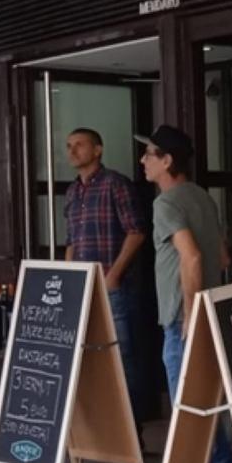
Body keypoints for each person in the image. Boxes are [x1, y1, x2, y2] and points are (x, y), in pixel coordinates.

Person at [139, 124, 232, 463]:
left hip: (186, 315)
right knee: (207, 397)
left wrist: (188, 311)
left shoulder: (165, 204)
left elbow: (192, 256)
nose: (143, 161)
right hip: (212, 308)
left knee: (189, 405)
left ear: (167, 161)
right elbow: (223, 256)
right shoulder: (201, 197)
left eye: (149, 154)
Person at [62, 127, 148, 445]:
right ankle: (97, 436)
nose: (72, 151)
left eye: (79, 145)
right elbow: (71, 241)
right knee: (85, 361)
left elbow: (137, 232)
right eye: (69, 146)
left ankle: (132, 435)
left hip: (113, 288)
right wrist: (68, 278)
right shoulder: (73, 192)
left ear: (97, 150)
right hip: (82, 288)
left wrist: (114, 274)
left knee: (123, 358)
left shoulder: (115, 184)